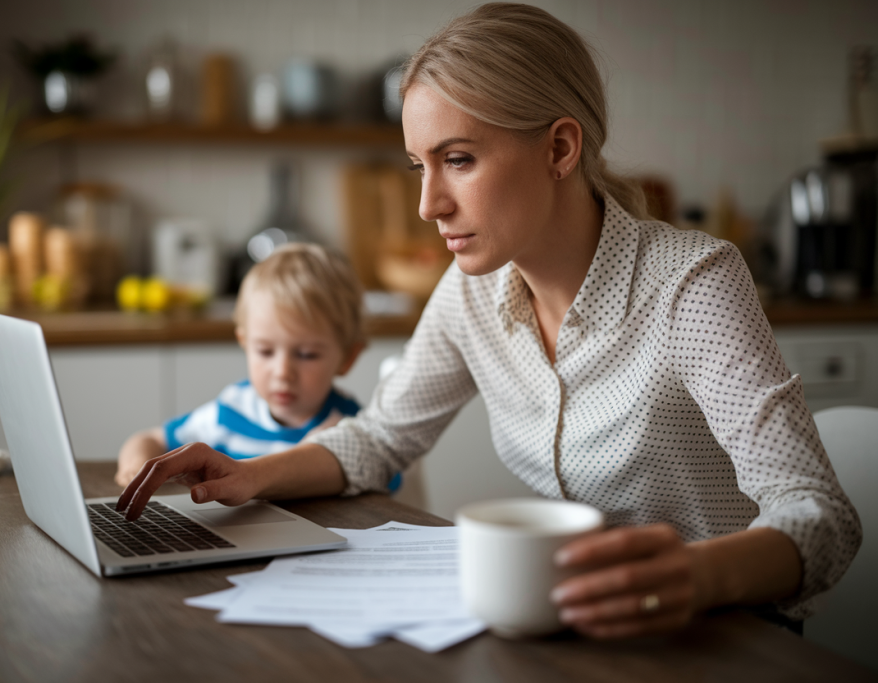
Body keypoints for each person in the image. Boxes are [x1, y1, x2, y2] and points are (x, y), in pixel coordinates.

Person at [117, 3, 861, 639]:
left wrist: (694, 575)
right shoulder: (476, 290)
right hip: (579, 628)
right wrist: (251, 474)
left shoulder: (691, 286)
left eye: (459, 159)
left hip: (721, 635)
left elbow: (820, 515)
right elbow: (381, 437)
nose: (427, 204)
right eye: (420, 166)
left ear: (560, 148)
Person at [114, 243, 367, 488]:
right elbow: (150, 439)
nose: (282, 372)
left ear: (347, 358)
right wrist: (136, 466)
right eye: (265, 351)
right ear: (244, 343)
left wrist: (322, 457)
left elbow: (383, 480)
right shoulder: (230, 412)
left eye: (307, 354)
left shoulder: (350, 427)